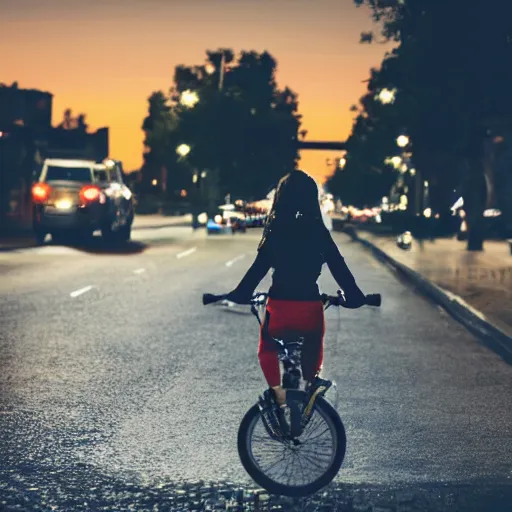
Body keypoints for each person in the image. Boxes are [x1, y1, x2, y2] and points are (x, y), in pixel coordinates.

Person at [223, 170, 366, 407]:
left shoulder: (276, 232)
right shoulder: (319, 233)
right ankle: (312, 385)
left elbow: (256, 272)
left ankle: (277, 392)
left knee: (267, 348)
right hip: (310, 309)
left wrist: (239, 294)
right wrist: (355, 297)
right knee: (314, 341)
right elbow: (340, 269)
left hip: (279, 309)